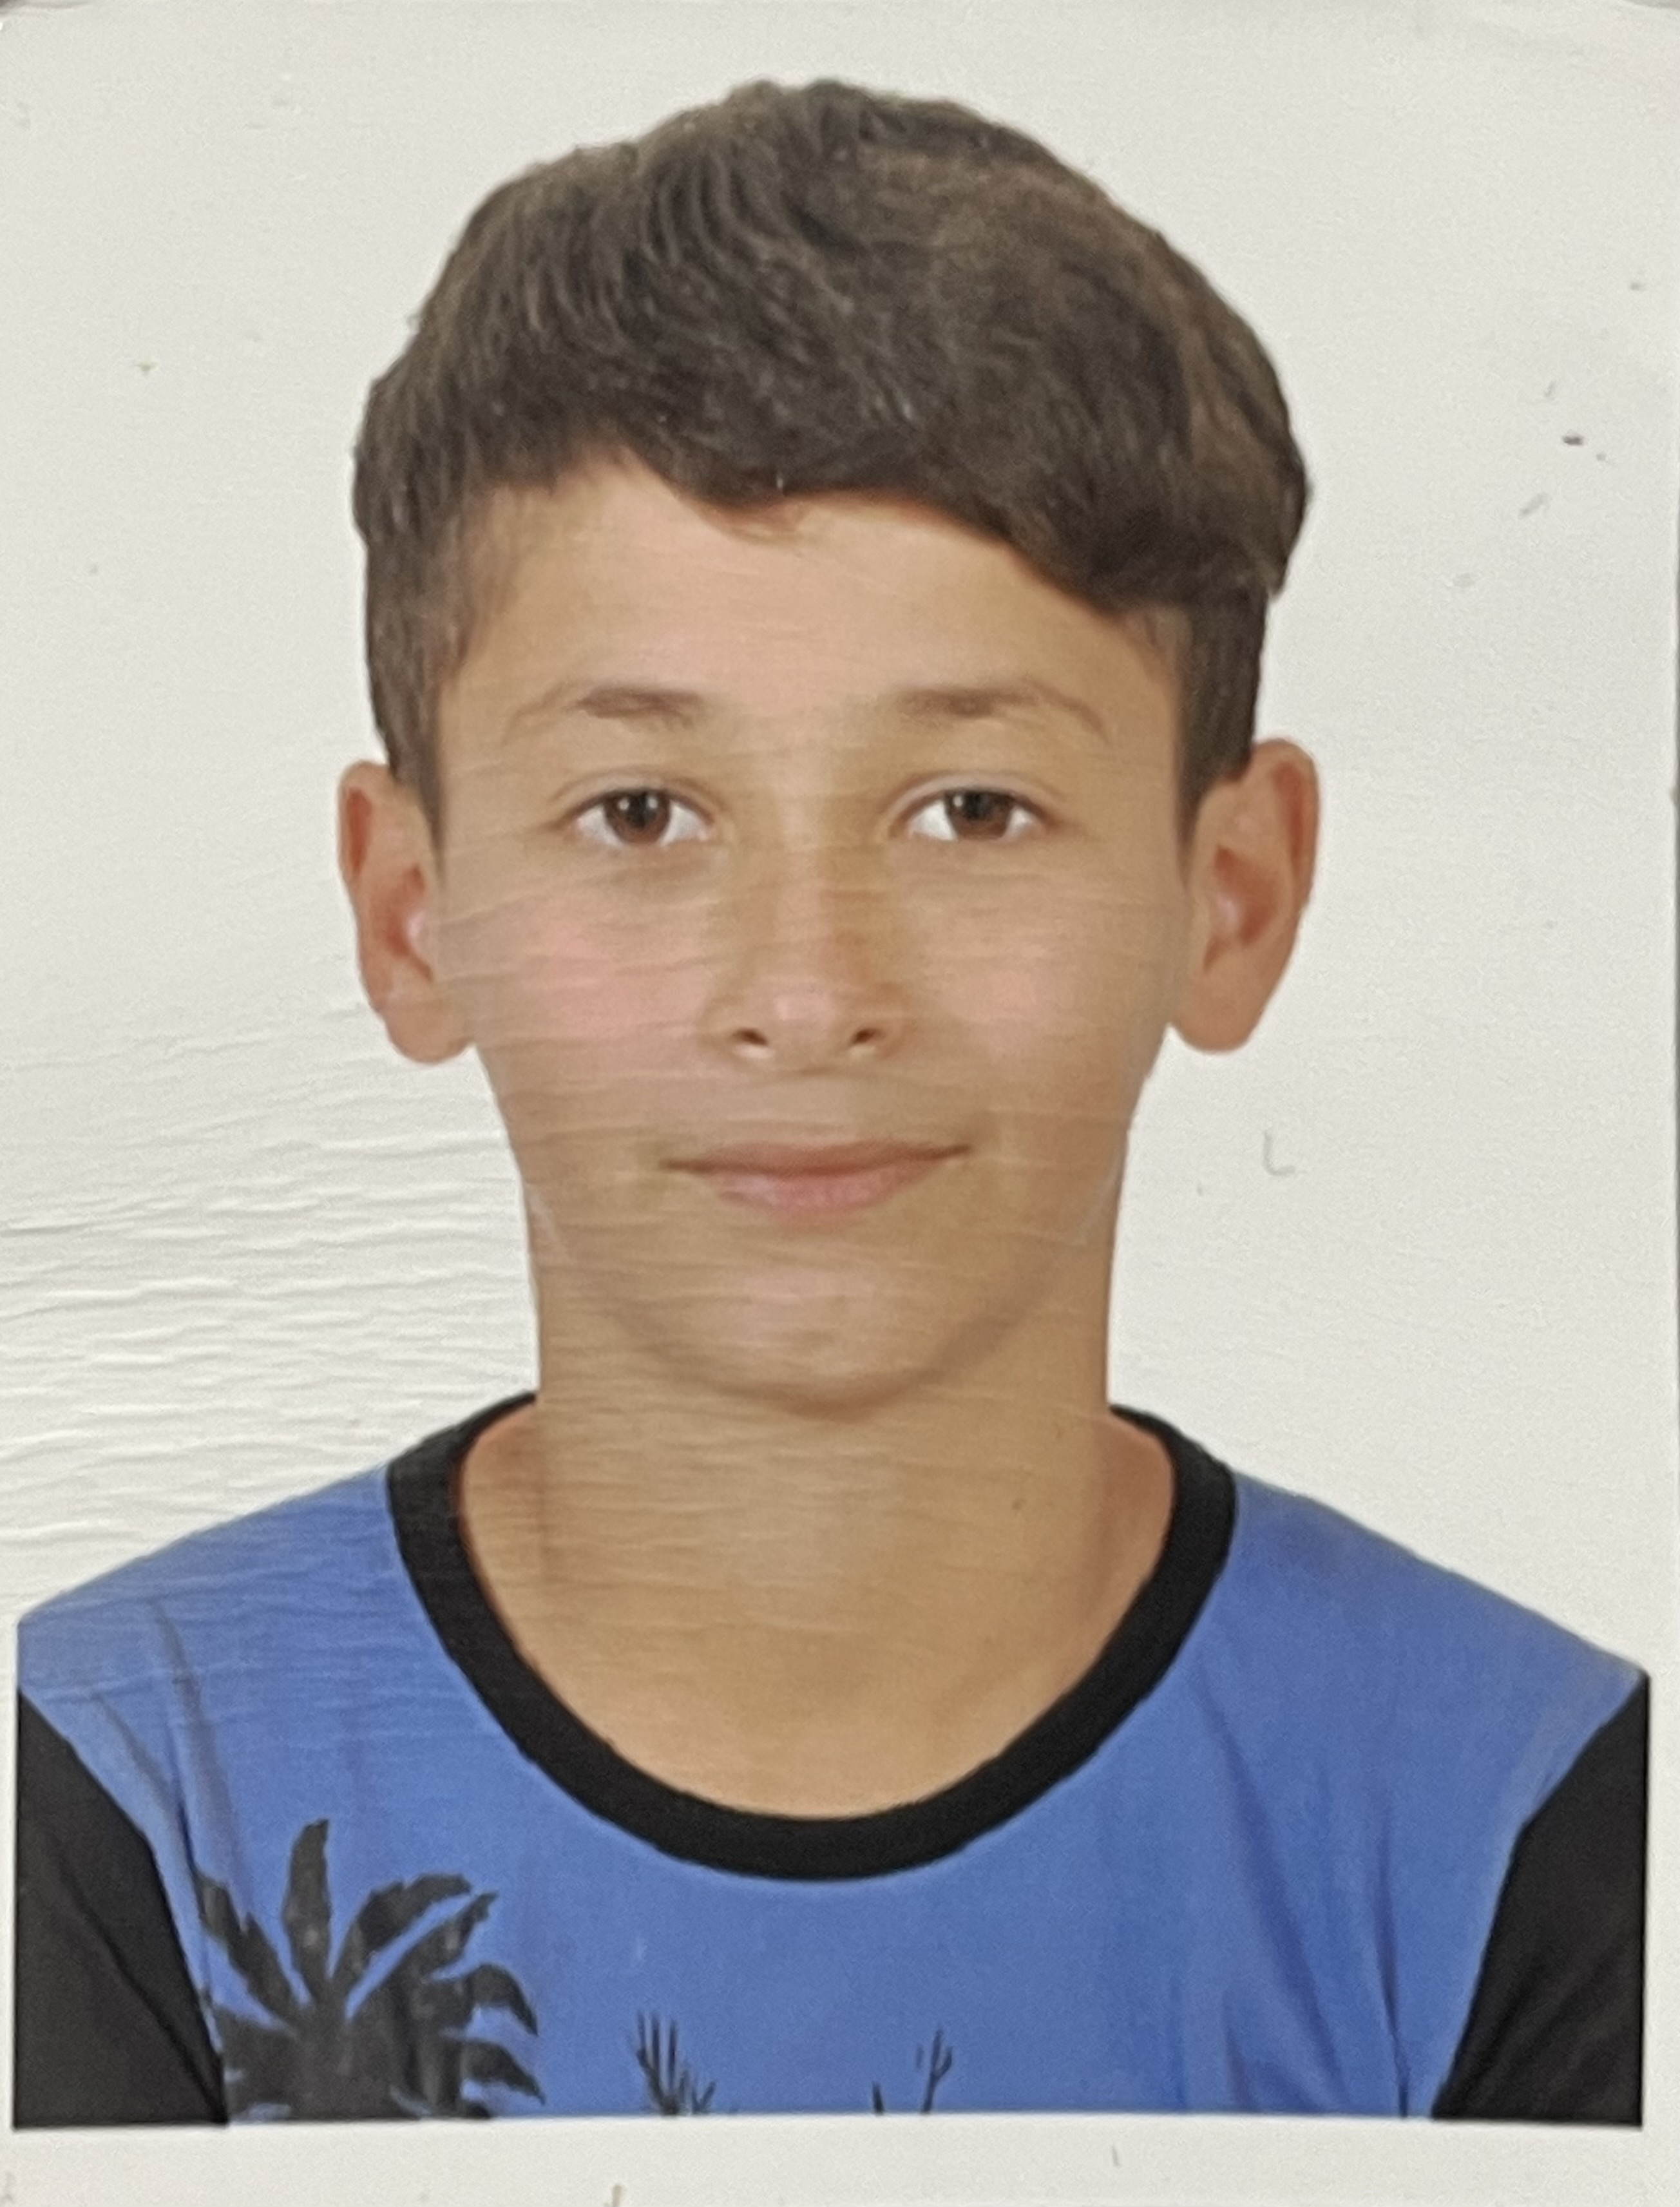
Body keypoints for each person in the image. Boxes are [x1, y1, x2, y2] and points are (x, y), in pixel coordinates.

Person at [13, 77, 1647, 2128]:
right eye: (641, 811)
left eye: (972, 809)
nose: (807, 993)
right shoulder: (111, 1791)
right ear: (412, 911)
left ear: (1231, 894)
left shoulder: (1532, 1828)